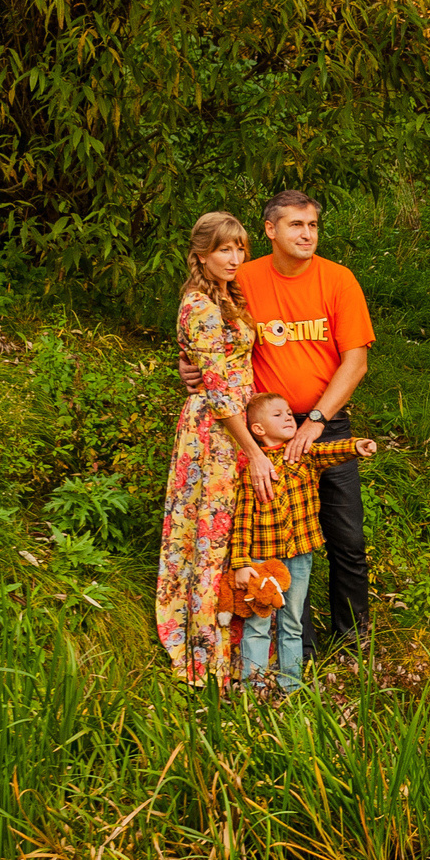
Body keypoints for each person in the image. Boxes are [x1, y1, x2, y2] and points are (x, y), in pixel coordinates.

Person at [184, 190, 377, 659]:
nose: (306, 234)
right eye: (295, 225)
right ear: (270, 230)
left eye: (312, 225)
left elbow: (356, 362)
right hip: (264, 433)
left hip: (323, 425)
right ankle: (296, 650)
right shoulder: (242, 277)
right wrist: (190, 368)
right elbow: (214, 340)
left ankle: (353, 644)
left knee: (345, 536)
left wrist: (316, 420)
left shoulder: (338, 279)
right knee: (281, 540)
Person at [153, 213, 272, 685]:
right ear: (201, 253)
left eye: (240, 248)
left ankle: (235, 644)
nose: (235, 258)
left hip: (237, 426)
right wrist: (254, 449)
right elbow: (218, 389)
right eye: (224, 249)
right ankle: (205, 651)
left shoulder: (230, 296)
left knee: (228, 535)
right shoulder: (200, 304)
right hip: (216, 433)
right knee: (209, 534)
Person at [229, 393, 377, 693]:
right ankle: (253, 686)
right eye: (278, 415)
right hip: (263, 561)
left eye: (288, 412)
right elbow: (242, 520)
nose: (288, 418)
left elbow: (332, 452)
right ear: (257, 430)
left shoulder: (304, 456)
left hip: (300, 555)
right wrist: (241, 563)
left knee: (292, 622)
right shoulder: (253, 471)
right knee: (258, 624)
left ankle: (291, 684)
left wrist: (357, 446)